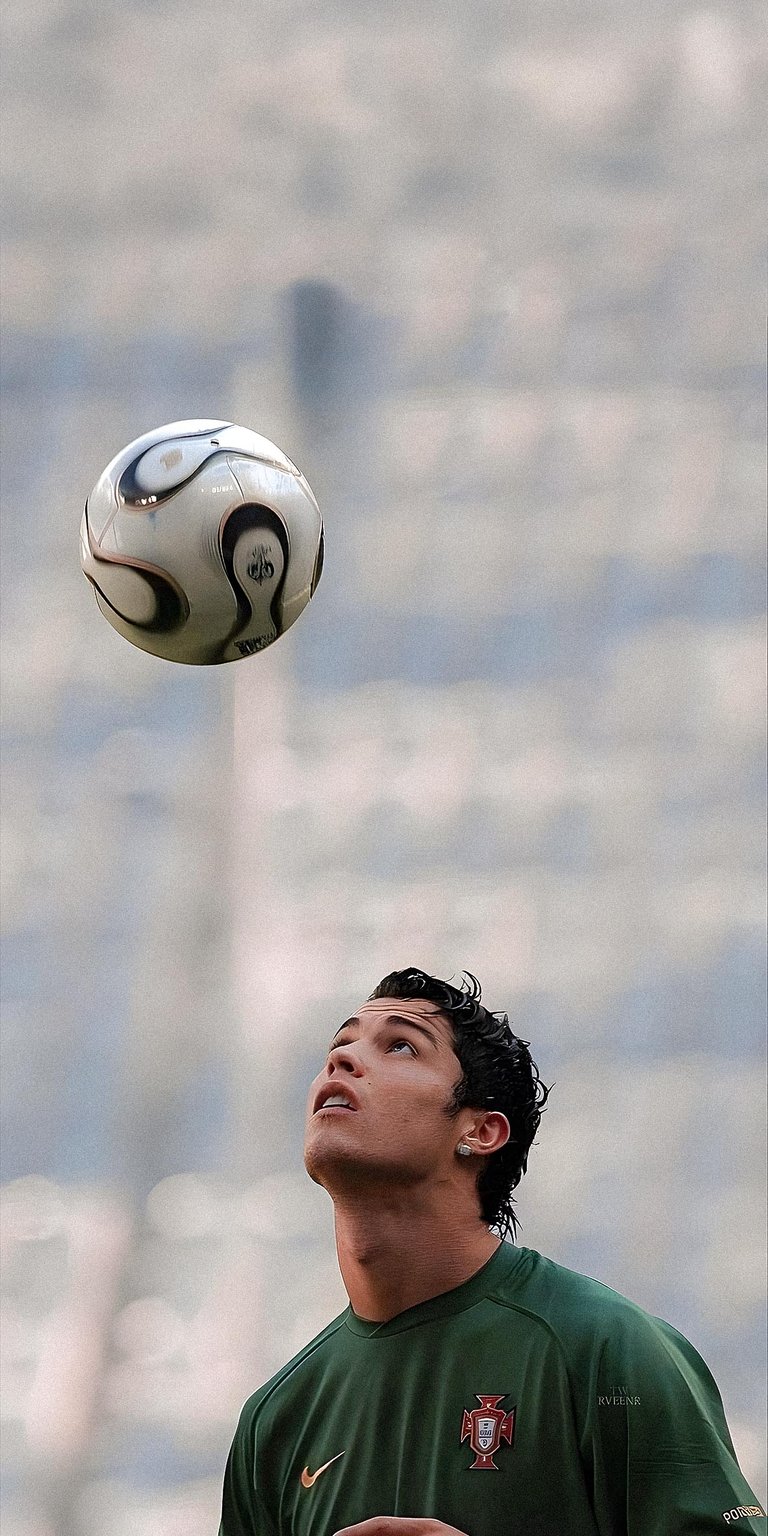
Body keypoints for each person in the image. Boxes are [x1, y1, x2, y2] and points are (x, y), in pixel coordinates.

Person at [219, 968, 765, 1536]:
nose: (343, 1061)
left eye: (400, 1045)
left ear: (480, 1131)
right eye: (340, 1045)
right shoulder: (274, 1419)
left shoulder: (605, 1349)